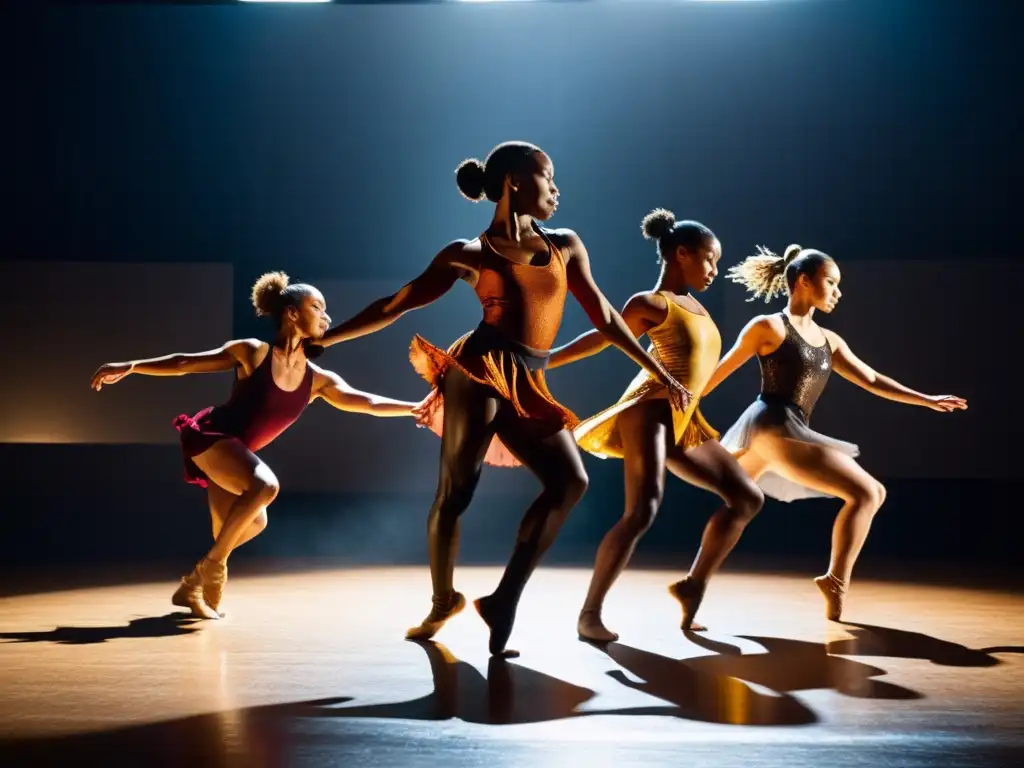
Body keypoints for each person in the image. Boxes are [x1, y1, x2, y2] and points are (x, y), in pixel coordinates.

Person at [315, 142, 689, 656]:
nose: (557, 189)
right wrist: (327, 340)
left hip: (528, 380)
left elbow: (604, 314)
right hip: (479, 370)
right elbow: (394, 304)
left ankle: (503, 599)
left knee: (569, 482)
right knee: (457, 493)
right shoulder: (468, 253)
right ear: (514, 181)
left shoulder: (566, 245)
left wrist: (657, 369)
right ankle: (443, 598)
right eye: (547, 177)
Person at [90, 271, 420, 619]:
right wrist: (131, 367)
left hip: (234, 455)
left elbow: (365, 402)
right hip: (211, 437)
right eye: (317, 307)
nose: (327, 317)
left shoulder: (318, 380)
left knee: (247, 525)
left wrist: (414, 407)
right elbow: (185, 363)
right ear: (292, 313)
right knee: (266, 485)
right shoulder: (253, 352)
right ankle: (213, 568)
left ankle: (192, 586)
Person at [702, 245, 967, 620]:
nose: (838, 292)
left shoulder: (830, 341)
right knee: (869, 492)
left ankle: (693, 583)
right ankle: (835, 581)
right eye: (831, 282)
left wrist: (926, 399)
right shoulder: (769, 327)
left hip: (776, 432)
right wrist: (682, 401)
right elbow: (719, 371)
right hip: (772, 425)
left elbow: (873, 379)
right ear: (804, 281)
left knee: (739, 507)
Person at [547, 210, 764, 641]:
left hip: (684, 418)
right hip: (650, 408)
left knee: (746, 497)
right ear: (680, 254)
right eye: (708, 259)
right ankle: (589, 614)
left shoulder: (696, 307)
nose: (714, 270)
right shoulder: (650, 303)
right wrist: (546, 360)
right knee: (641, 510)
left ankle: (692, 586)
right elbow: (602, 338)